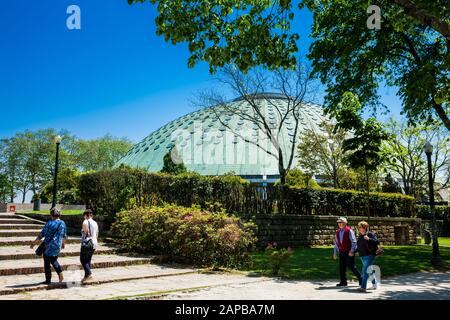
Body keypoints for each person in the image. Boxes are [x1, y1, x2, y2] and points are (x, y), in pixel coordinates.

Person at [30, 208, 67, 285]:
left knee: (47, 263)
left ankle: (48, 280)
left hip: (48, 245)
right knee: (53, 260)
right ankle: (59, 273)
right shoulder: (62, 223)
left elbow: (41, 234)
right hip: (57, 245)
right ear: (59, 215)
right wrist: (63, 244)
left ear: (51, 215)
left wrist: (34, 243)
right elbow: (64, 235)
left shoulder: (49, 223)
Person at [333, 217, 362, 287]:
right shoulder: (338, 231)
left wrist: (352, 251)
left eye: (341, 222)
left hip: (349, 252)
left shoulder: (349, 231)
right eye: (338, 223)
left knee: (352, 266)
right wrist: (335, 253)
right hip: (341, 252)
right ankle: (343, 282)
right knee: (341, 267)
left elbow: (354, 242)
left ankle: (361, 278)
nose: (339, 224)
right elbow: (336, 243)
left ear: (345, 223)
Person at [356, 221, 380, 292]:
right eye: (359, 227)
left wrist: (369, 239)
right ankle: (374, 284)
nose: (360, 229)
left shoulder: (369, 234)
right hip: (362, 256)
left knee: (365, 271)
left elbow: (377, 242)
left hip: (369, 256)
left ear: (365, 227)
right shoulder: (360, 236)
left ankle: (363, 287)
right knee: (369, 271)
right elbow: (359, 247)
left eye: (361, 227)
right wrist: (353, 252)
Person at [80, 209, 99, 283]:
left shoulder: (85, 221)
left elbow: (86, 232)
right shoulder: (95, 223)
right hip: (94, 243)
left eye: (84, 216)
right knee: (88, 260)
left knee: (82, 260)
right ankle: (86, 277)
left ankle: (89, 274)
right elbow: (97, 234)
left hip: (87, 243)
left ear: (86, 215)